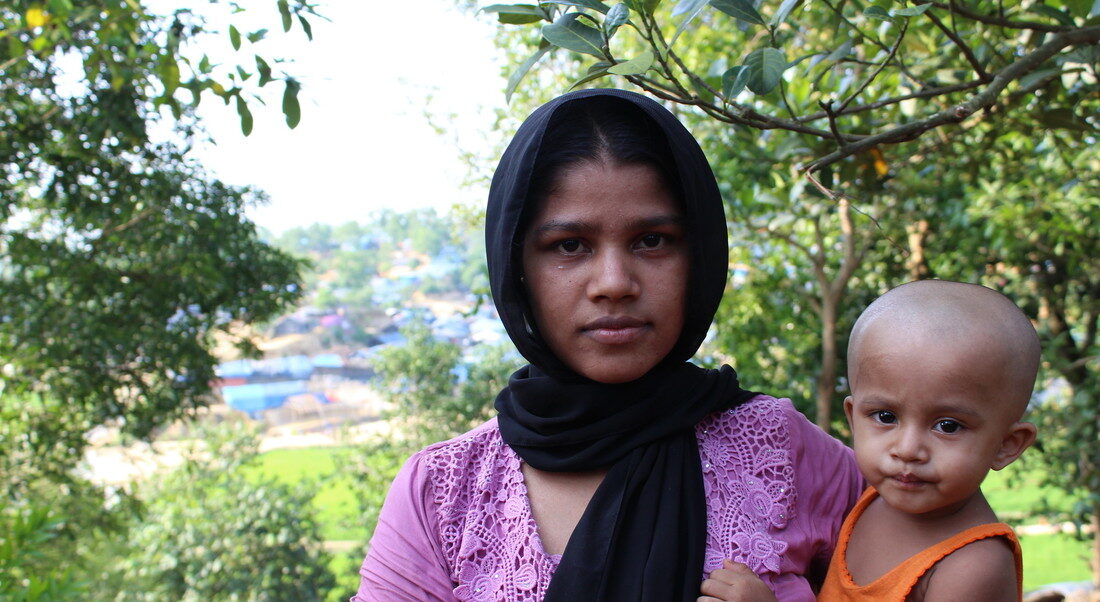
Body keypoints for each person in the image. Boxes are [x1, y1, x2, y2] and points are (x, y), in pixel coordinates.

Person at [353, 88, 862, 602]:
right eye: (569, 246)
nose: (614, 282)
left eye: (652, 240)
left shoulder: (785, 453)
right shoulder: (442, 493)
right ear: (517, 267)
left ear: (698, 255)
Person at [704, 280, 1039, 601]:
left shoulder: (972, 566)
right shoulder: (871, 500)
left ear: (1007, 444)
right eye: (885, 417)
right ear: (853, 418)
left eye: (948, 426)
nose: (907, 449)